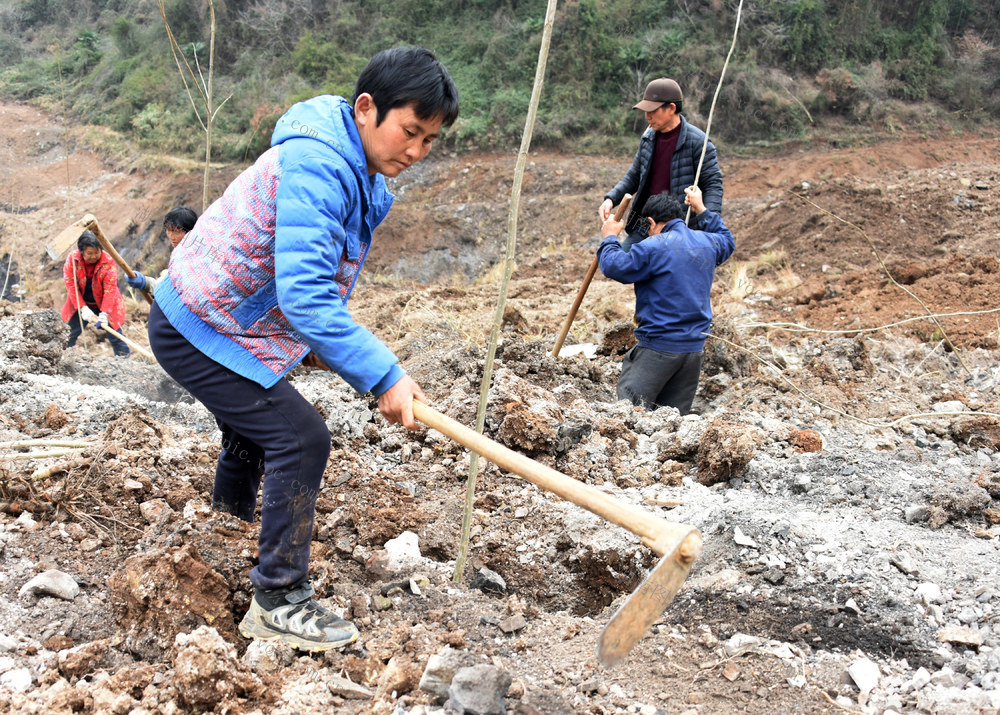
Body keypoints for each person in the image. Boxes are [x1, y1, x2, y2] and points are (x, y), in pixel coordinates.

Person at [147, 46, 459, 652]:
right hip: (200, 324)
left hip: (225, 319)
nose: (416, 152)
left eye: (429, 140)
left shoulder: (356, 166)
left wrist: (318, 347)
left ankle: (226, 529)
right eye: (409, 132)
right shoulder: (320, 163)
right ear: (367, 109)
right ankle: (278, 598)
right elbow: (307, 294)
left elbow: (309, 276)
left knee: (255, 429)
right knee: (301, 437)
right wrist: (382, 373)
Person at [598, 186, 734, 414]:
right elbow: (727, 241)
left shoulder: (653, 246)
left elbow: (614, 266)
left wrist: (610, 236)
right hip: (693, 351)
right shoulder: (707, 243)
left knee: (629, 414)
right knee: (672, 424)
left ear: (651, 223)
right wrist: (702, 209)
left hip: (658, 348)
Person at [599, 78, 724, 250]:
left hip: (681, 229)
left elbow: (713, 185)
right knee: (623, 262)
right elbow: (635, 175)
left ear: (671, 108)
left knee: (667, 274)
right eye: (645, 111)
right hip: (647, 224)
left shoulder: (699, 143)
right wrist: (611, 199)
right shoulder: (648, 138)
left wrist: (708, 224)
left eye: (652, 111)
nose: (647, 116)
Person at [61, 230, 130, 357]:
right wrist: (83, 308)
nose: (93, 256)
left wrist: (104, 313)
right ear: (82, 252)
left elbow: (110, 289)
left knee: (115, 335)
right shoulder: (73, 260)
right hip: (80, 302)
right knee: (69, 333)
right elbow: (71, 286)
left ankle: (124, 360)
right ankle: (63, 357)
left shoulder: (107, 261)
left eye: (96, 252)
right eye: (89, 253)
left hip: (105, 303)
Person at [126, 206, 198, 296]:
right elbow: (167, 284)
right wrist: (145, 283)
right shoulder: (178, 254)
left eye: (177, 231)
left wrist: (146, 283)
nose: (172, 236)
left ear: (191, 232)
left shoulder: (194, 258)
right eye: (169, 230)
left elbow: (174, 290)